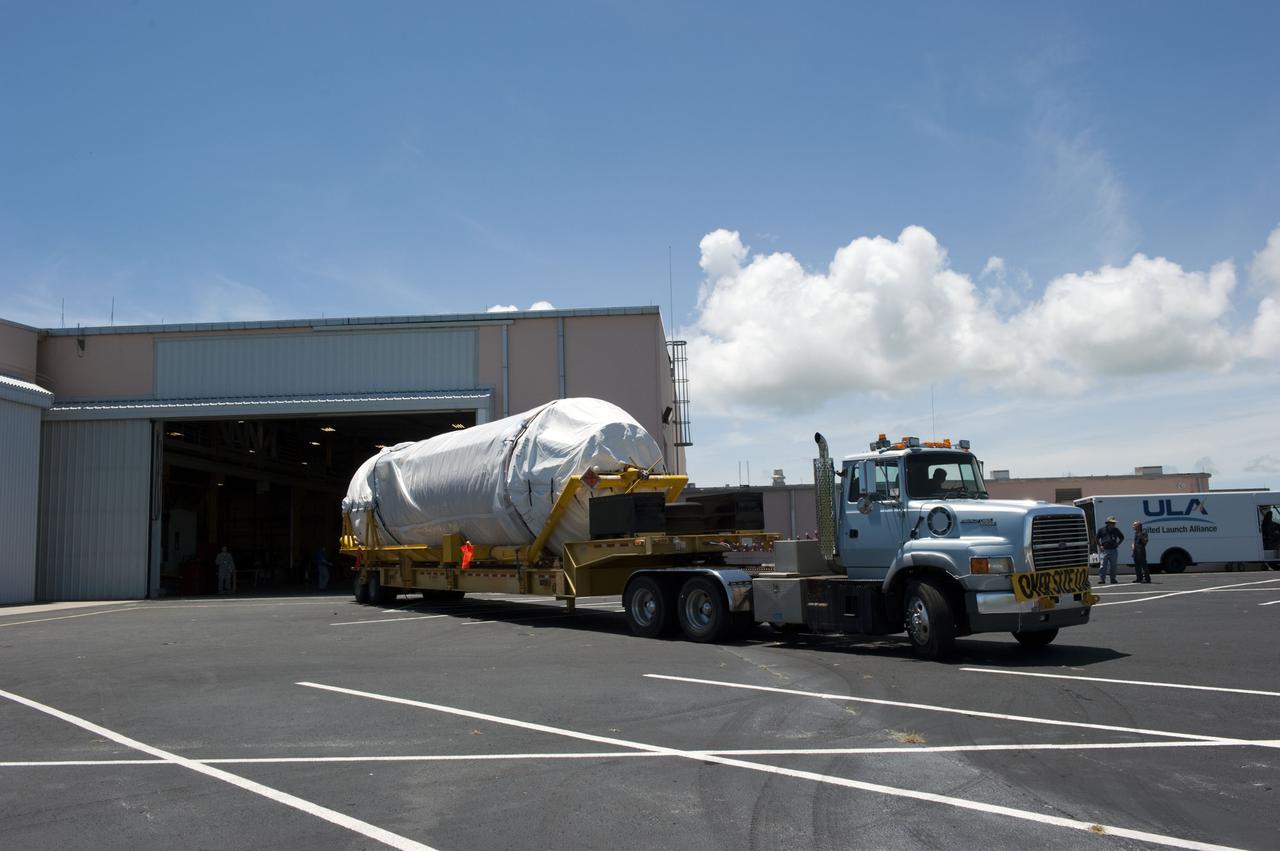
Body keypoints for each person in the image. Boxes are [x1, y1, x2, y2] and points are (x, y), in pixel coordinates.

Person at [1096, 516, 1124, 585]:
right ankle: (1102, 579)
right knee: (1103, 566)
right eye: (1112, 523)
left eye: (1114, 523)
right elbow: (1096, 538)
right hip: (1104, 550)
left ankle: (1113, 579)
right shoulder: (1101, 530)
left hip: (1113, 550)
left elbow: (1122, 537)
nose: (1114, 524)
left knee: (1113, 565)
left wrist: (1118, 544)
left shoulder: (1116, 530)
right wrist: (1100, 546)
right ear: (1108, 523)